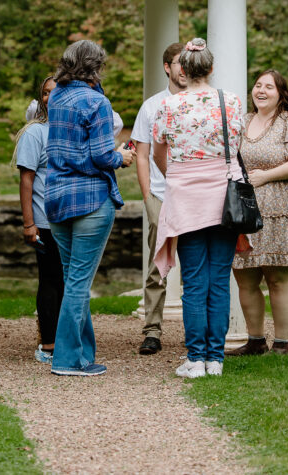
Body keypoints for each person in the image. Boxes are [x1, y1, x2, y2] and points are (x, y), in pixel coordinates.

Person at [152, 37, 243, 378]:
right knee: (219, 280)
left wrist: (177, 174)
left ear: (183, 69)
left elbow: (159, 151)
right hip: (225, 199)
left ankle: (196, 358)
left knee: (193, 280)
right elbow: (237, 145)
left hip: (187, 198)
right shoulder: (231, 102)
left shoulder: (170, 106)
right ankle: (215, 360)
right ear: (211, 68)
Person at [46, 40, 135, 377]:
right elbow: (101, 155)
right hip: (90, 200)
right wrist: (122, 157)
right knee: (79, 283)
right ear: (96, 66)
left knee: (73, 279)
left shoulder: (57, 96)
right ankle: (67, 360)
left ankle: (82, 355)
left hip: (56, 197)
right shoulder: (96, 101)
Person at [227, 69, 288, 357]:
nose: (261, 91)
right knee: (245, 277)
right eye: (257, 85)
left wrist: (265, 176)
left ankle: (281, 344)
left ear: (281, 93)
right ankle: (255, 341)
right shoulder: (243, 121)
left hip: (280, 211)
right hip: (244, 213)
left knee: (278, 278)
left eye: (269, 87)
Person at [130, 41, 185, 355]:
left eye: (187, 62)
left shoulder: (200, 102)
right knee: (157, 266)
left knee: (194, 263)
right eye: (178, 62)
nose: (183, 68)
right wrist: (147, 193)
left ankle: (198, 332)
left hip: (194, 196)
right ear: (167, 67)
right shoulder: (152, 106)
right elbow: (141, 153)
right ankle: (152, 330)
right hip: (160, 196)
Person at [14, 75, 64, 364]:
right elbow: (27, 181)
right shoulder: (35, 133)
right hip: (45, 220)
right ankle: (48, 343)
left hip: (73, 219)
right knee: (50, 280)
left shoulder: (73, 129)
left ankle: (68, 340)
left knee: (70, 282)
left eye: (55, 93)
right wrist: (28, 223)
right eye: (45, 94)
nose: (50, 98)